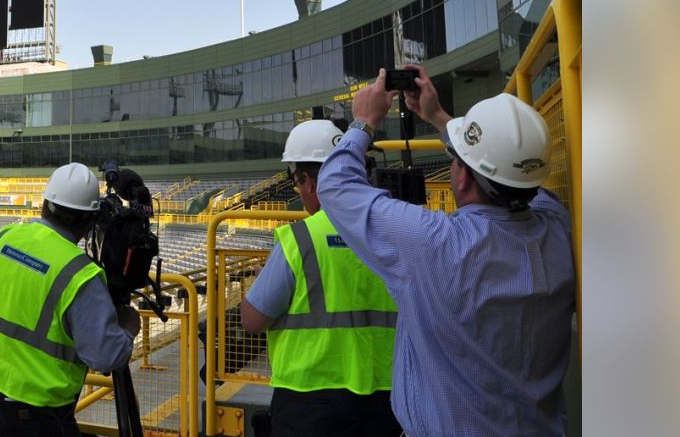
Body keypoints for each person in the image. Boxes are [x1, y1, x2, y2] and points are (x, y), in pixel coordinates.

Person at [318, 66, 575, 437]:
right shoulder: (556, 225)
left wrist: (363, 121)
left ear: (463, 176)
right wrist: (438, 117)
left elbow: (335, 185)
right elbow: (511, 173)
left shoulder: (434, 244)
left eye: (456, 160)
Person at [239, 120, 402, 437]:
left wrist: (262, 285)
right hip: (389, 397)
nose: (299, 192)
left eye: (298, 183)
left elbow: (252, 320)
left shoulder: (299, 238)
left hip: (308, 402)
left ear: (309, 182)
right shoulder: (397, 230)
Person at [0, 162, 142, 437]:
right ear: (89, 220)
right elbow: (105, 357)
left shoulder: (6, 237)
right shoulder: (79, 274)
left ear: (45, 205)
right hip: (31, 411)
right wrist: (127, 327)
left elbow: (7, 280)